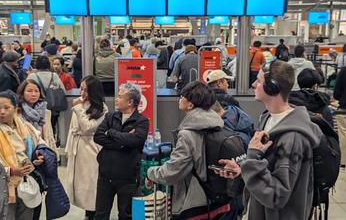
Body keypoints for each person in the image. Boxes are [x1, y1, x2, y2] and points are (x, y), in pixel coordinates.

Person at [215, 60, 322, 220]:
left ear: (272, 87)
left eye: (258, 81)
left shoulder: (292, 137)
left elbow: (276, 195)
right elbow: (267, 169)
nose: (253, 84)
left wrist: (251, 157)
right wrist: (243, 170)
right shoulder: (268, 118)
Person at [145, 81, 228, 218]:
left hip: (195, 203)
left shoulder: (188, 134)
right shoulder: (217, 125)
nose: (179, 99)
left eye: (182, 96)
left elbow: (172, 172)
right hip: (217, 198)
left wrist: (150, 173)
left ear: (190, 104)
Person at [0, 91, 47, 220]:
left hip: (27, 184)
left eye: (6, 108)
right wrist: (10, 171)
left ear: (15, 108)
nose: (2, 112)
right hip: (2, 187)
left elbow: (41, 145)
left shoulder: (27, 128)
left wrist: (39, 156)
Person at [93, 83, 149, 220]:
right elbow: (98, 136)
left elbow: (135, 140)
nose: (116, 99)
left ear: (130, 102)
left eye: (119, 96)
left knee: (126, 215)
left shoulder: (142, 121)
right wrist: (123, 143)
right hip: (106, 175)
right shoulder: (110, 116)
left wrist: (111, 132)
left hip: (128, 177)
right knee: (100, 214)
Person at [65, 75, 108, 220]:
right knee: (78, 185)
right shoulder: (81, 103)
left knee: (91, 185)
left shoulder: (102, 108)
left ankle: (93, 213)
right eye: (81, 89)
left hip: (91, 150)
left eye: (86, 90)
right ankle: (87, 213)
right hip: (77, 148)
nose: (82, 93)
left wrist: (77, 108)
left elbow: (88, 128)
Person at [27, 55, 66, 139]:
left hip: (36, 107)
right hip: (52, 106)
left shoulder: (32, 76)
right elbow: (63, 90)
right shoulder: (54, 76)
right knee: (51, 127)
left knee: (37, 128)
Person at [17, 79, 57, 152]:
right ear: (22, 92)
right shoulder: (17, 112)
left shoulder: (45, 112)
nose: (33, 94)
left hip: (43, 151)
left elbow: (49, 136)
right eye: (29, 91)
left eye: (36, 91)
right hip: (24, 152)